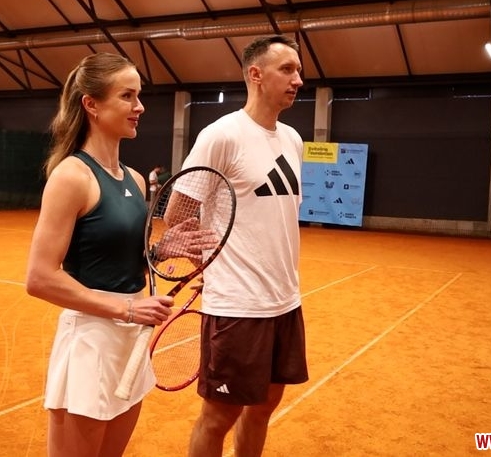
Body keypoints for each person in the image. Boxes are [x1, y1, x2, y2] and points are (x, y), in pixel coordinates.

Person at [24, 52, 207, 457]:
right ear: (92, 104)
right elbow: (39, 278)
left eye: (138, 96)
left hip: (130, 337)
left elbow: (119, 255)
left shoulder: (135, 179)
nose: (140, 107)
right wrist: (125, 310)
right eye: (127, 96)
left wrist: (157, 252)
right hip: (91, 339)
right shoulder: (71, 176)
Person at [174, 35, 309, 457]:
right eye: (287, 69)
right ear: (256, 75)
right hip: (237, 307)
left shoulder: (293, 139)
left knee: (264, 407)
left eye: (298, 70)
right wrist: (209, 266)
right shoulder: (222, 135)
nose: (298, 80)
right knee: (218, 418)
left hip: (284, 301)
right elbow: (178, 212)